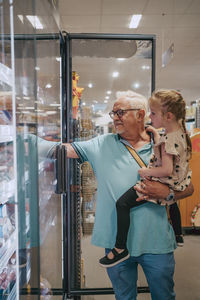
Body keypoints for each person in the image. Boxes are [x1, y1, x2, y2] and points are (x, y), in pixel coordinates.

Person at [63, 90, 194, 300]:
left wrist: (168, 193)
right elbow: (65, 150)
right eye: (113, 113)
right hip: (115, 241)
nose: (115, 117)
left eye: (120, 112)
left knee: (164, 295)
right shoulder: (102, 143)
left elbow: (188, 187)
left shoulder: (164, 142)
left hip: (157, 243)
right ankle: (120, 248)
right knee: (124, 296)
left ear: (140, 115)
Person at [99, 89, 192, 268]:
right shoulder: (181, 135)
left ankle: (119, 248)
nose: (151, 116)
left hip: (160, 182)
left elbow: (166, 168)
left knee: (122, 204)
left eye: (154, 113)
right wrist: (158, 137)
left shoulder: (167, 141)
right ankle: (178, 234)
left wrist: (146, 172)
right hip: (177, 182)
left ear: (169, 116)